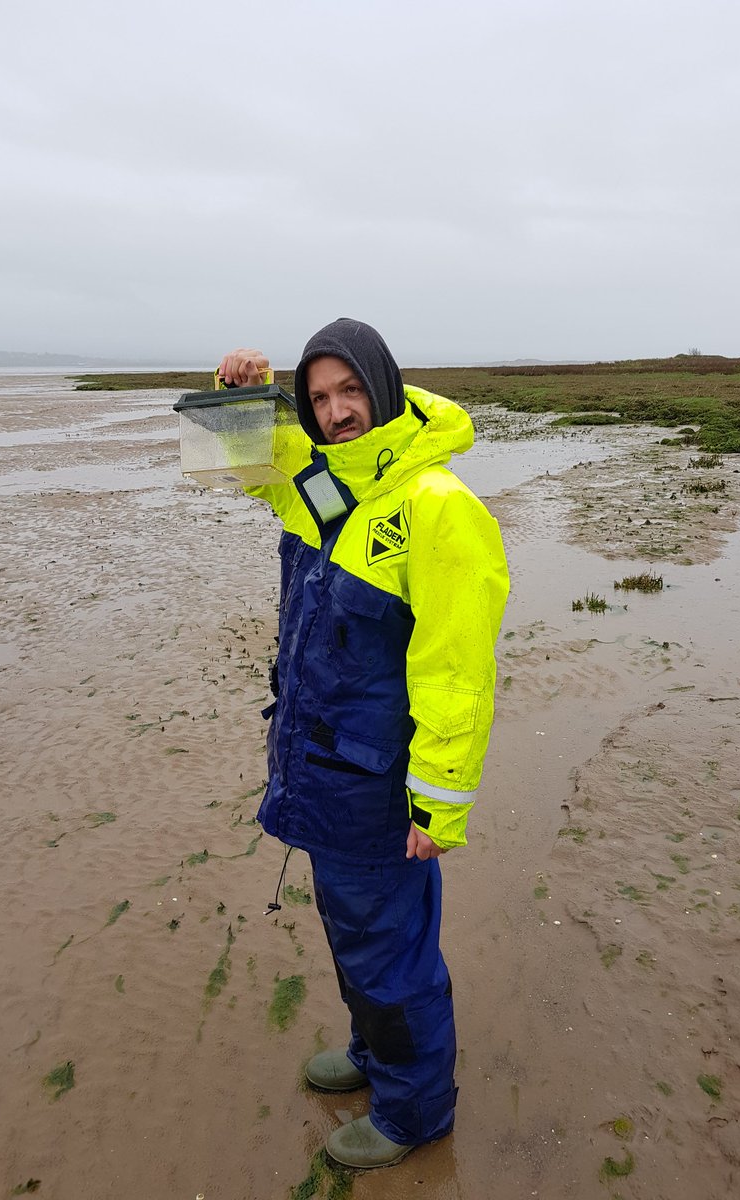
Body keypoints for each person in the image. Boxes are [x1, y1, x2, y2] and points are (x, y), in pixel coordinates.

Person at [218, 319, 508, 1169]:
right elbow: (255, 472)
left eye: (350, 391)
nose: (336, 411)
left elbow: (458, 673)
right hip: (325, 774)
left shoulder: (438, 509)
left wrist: (439, 803)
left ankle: (417, 1111)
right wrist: (241, 401)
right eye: (318, 398)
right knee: (353, 937)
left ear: (384, 387)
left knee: (391, 955)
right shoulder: (330, 492)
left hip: (384, 793)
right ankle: (375, 1054)